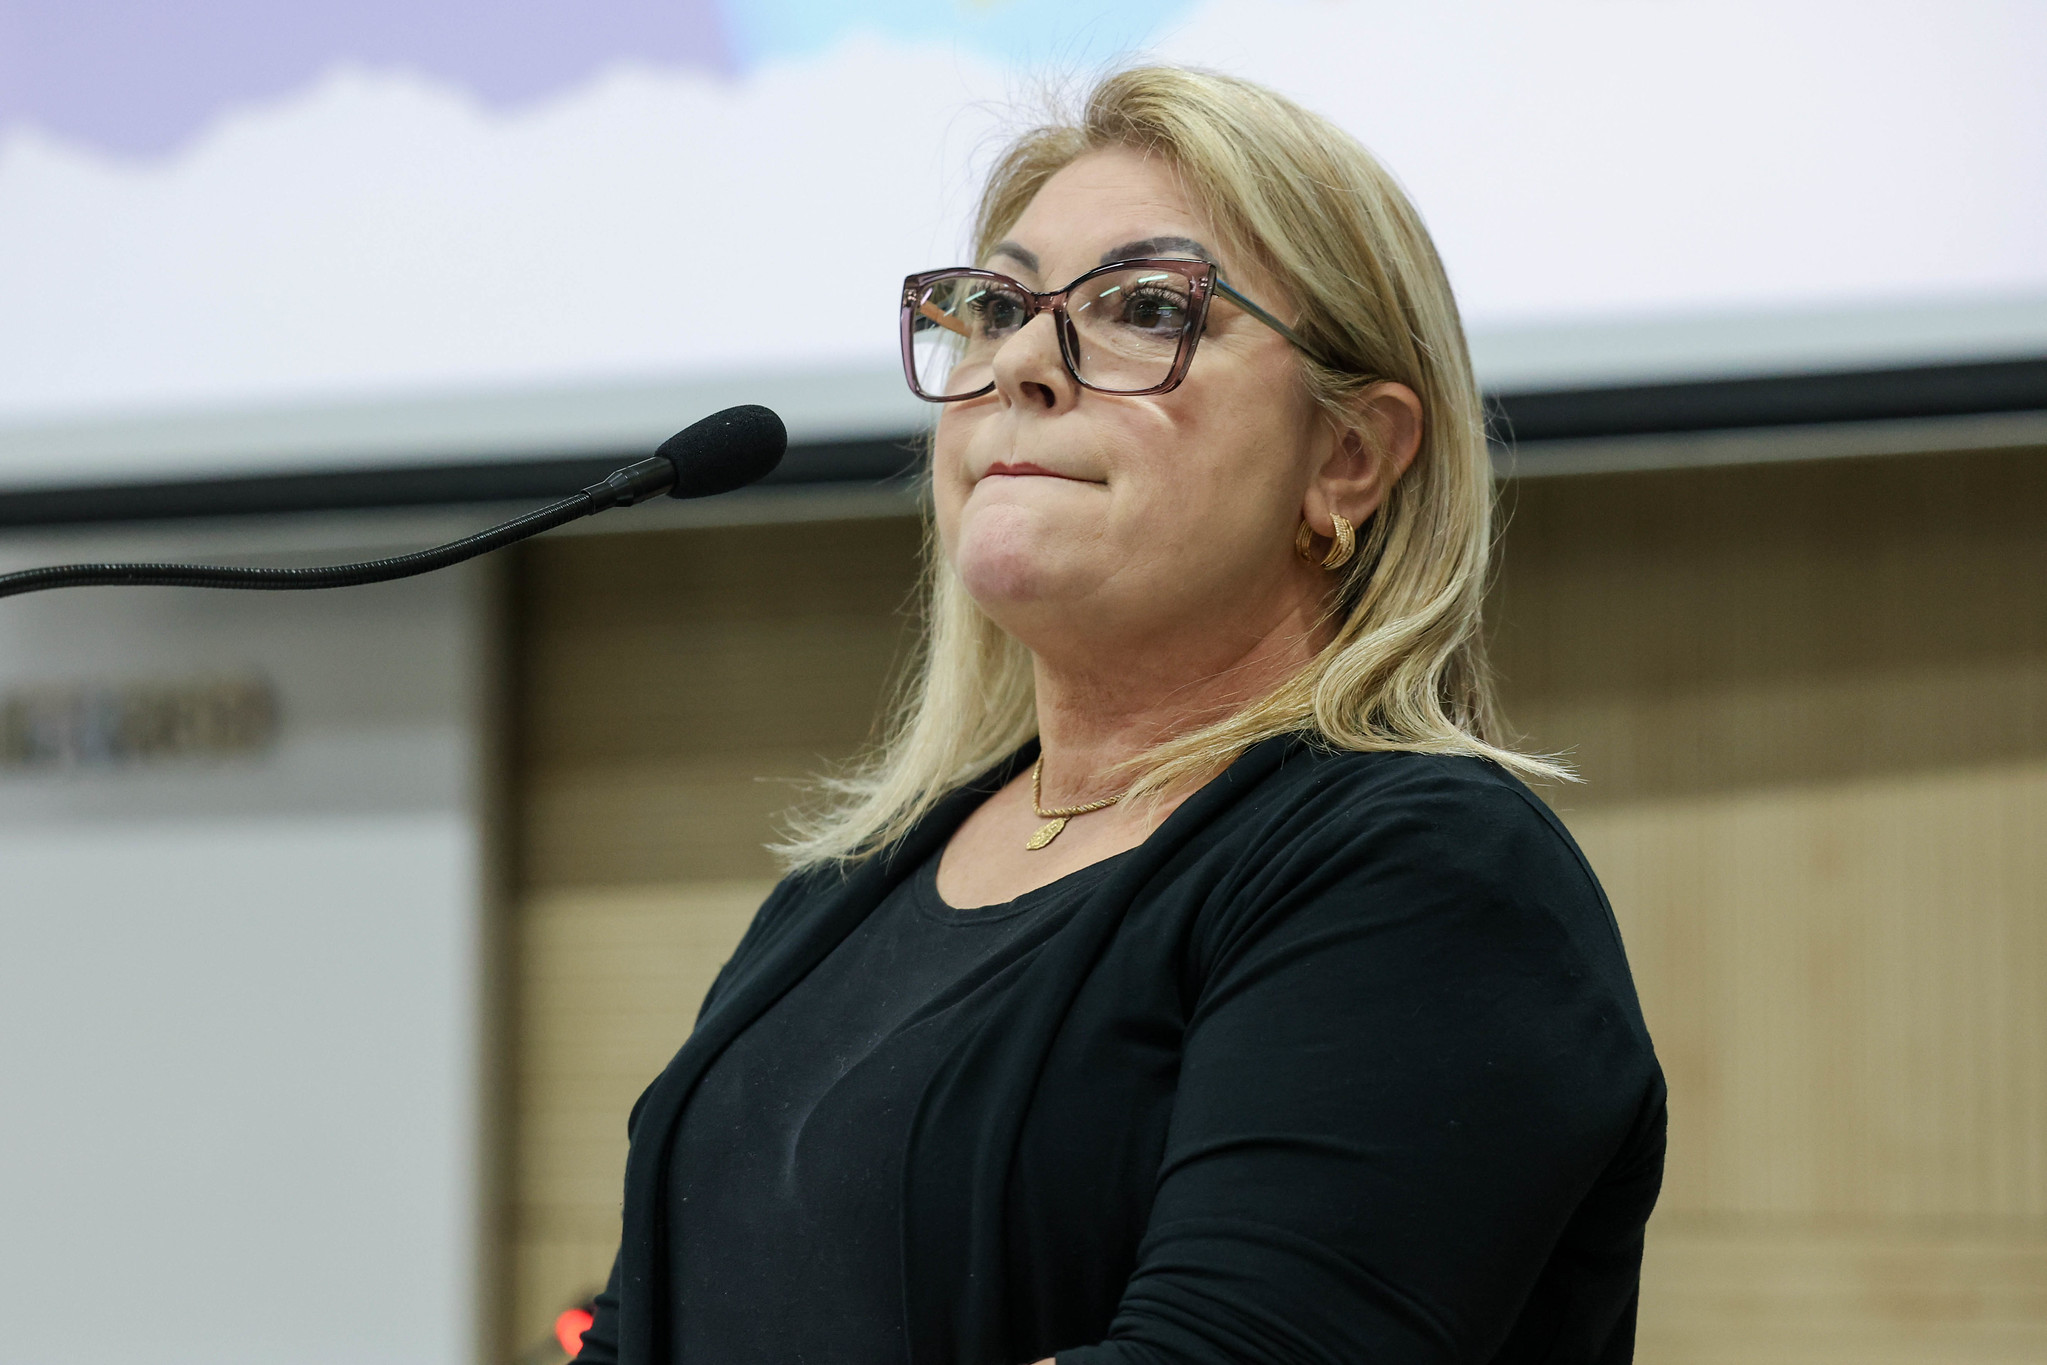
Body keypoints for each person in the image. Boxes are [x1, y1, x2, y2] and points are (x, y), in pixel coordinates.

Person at [572, 66, 1664, 1365]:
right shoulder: (850, 885)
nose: (1023, 363)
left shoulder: (1427, 877)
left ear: (1348, 457)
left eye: (1146, 308)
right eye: (995, 309)